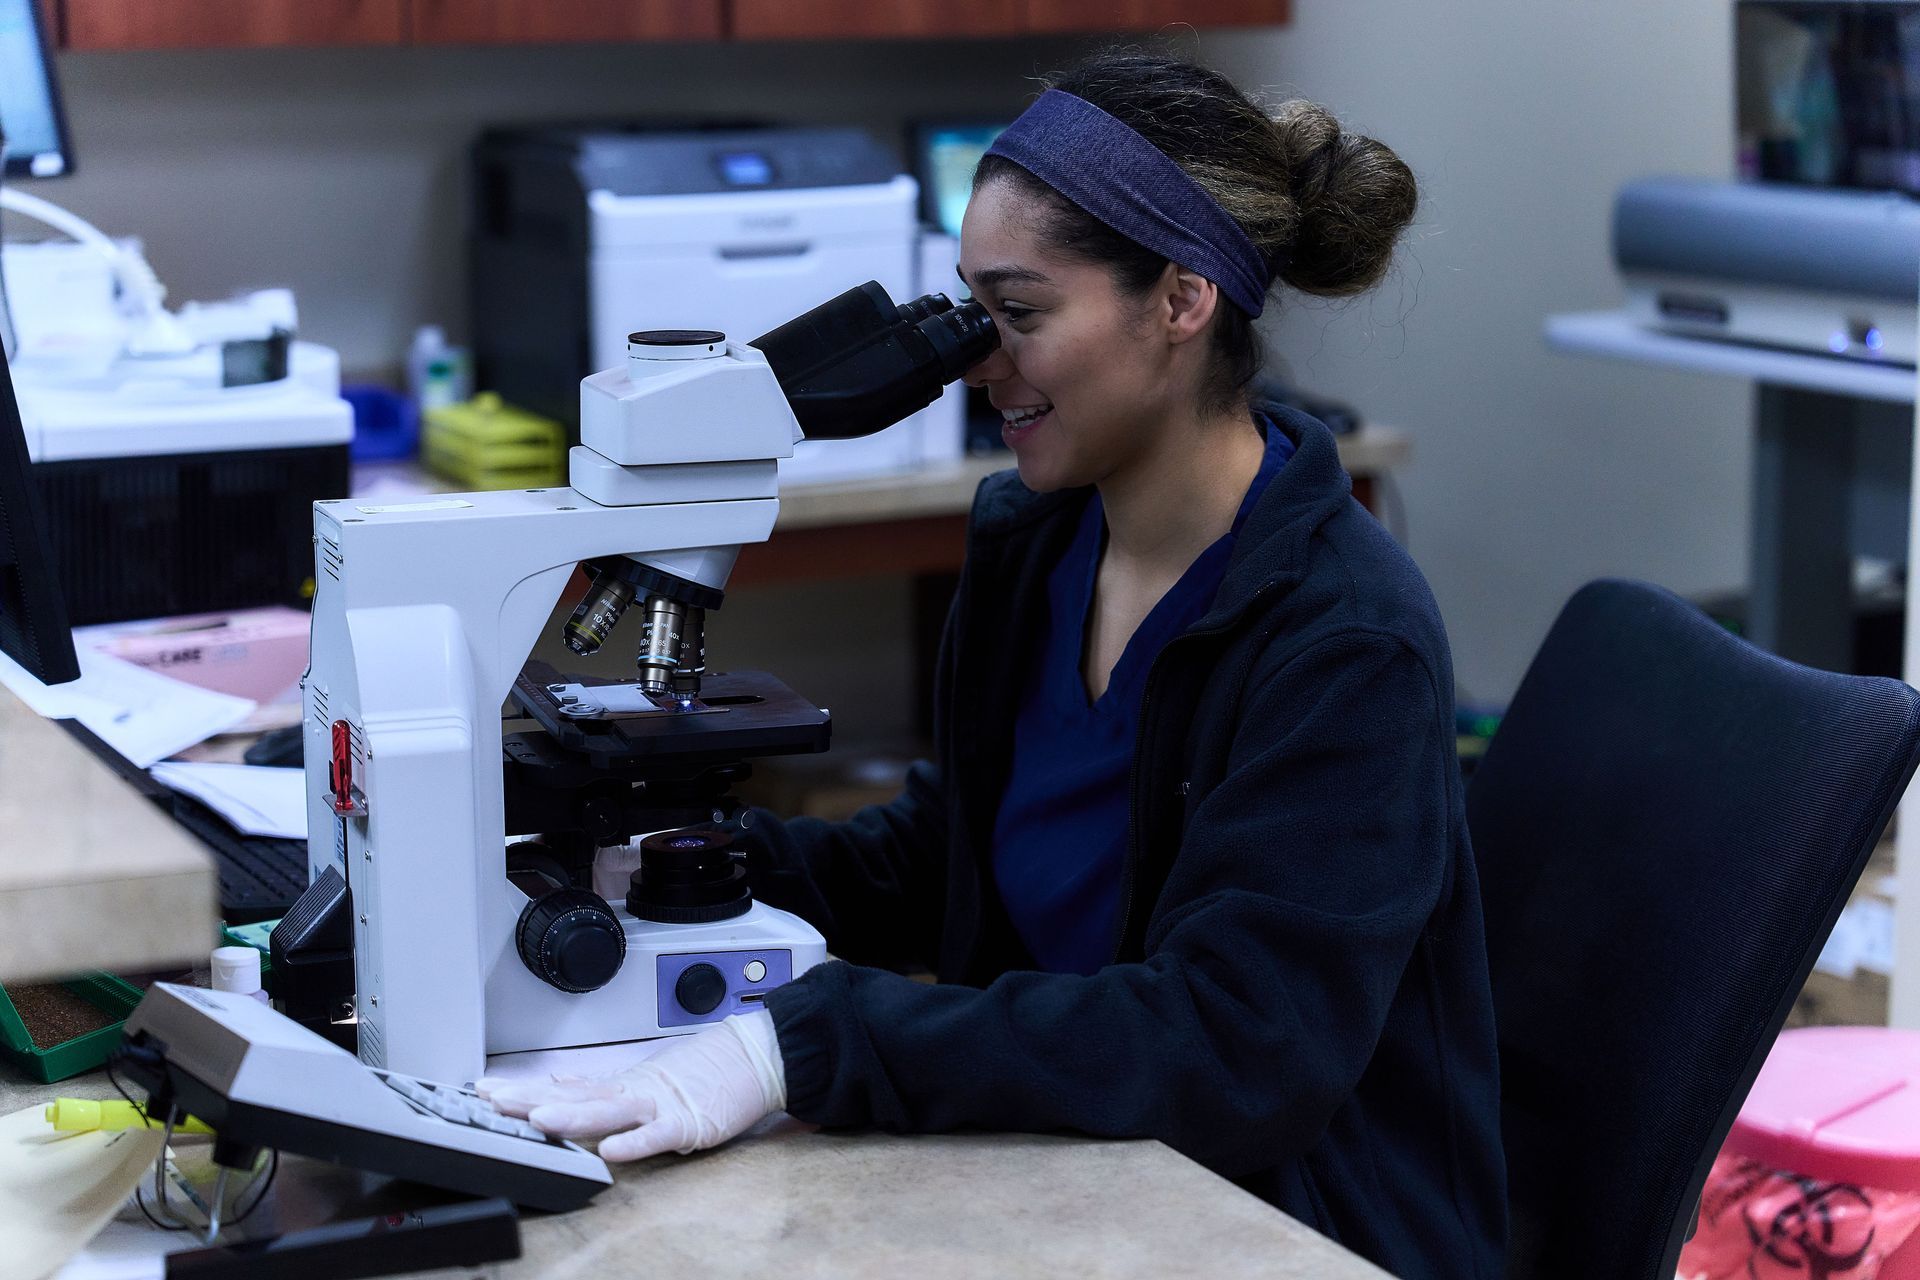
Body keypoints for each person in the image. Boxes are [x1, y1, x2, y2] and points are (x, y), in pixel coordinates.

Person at [481, 49, 1507, 1277]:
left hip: (1284, 1221)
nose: (978, 363)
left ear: (1181, 301)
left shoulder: (1342, 640)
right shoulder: (1045, 538)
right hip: (1083, 1162)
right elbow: (953, 850)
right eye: (969, 311)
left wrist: (803, 1046)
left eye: (1019, 316)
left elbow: (1238, 1045)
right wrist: (673, 868)